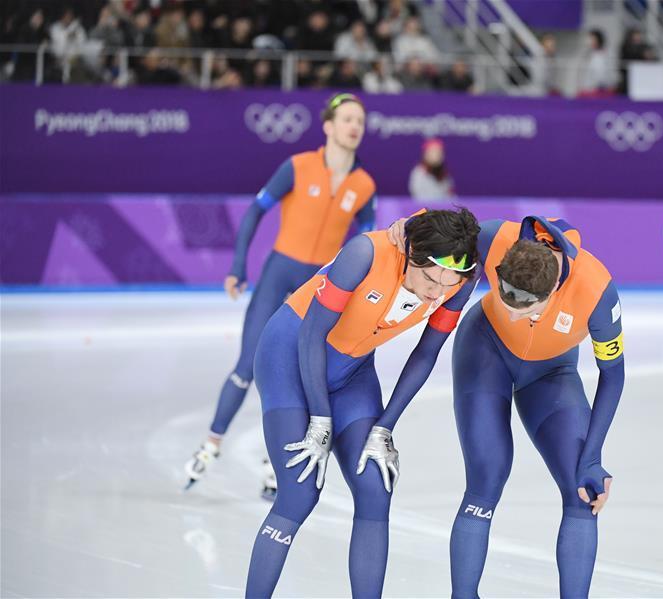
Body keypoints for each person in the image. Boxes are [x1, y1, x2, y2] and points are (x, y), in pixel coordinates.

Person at [245, 208, 480, 598]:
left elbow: (426, 354)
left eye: (448, 282)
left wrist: (385, 426)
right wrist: (320, 420)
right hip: (290, 358)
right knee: (299, 491)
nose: (438, 292)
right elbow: (310, 335)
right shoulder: (365, 255)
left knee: (375, 488)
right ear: (411, 252)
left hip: (352, 375)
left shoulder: (460, 280)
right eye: (429, 278)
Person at [387, 215, 626, 597]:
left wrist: (593, 456)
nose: (515, 316)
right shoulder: (499, 237)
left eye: (527, 309)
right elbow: (445, 224)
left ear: (553, 292)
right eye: (506, 299)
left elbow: (612, 376)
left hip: (551, 375)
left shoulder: (596, 291)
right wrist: (409, 223)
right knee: (485, 480)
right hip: (486, 351)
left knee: (583, 491)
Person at [184, 93, 377, 496]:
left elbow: (369, 238)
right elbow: (255, 211)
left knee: (309, 373)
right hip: (278, 276)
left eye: (360, 120)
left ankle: (276, 463)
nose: (354, 126)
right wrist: (238, 266)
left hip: (320, 289)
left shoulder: (364, 185)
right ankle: (211, 445)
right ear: (328, 126)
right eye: (347, 119)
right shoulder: (298, 166)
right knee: (246, 366)